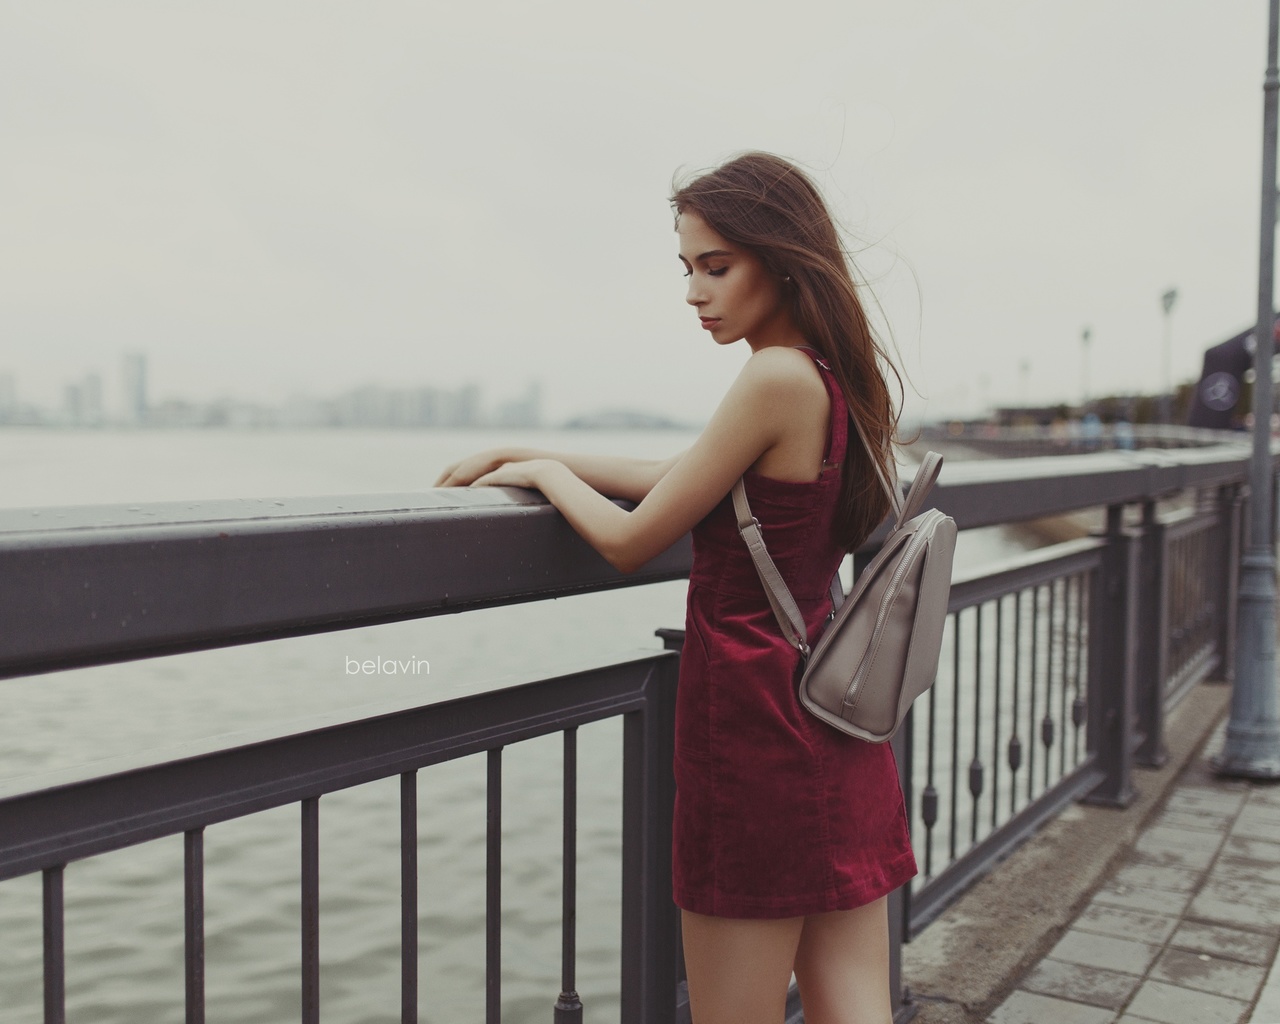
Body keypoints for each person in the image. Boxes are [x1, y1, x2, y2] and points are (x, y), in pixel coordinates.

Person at [435, 151, 916, 1024]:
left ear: (782, 256)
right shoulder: (830, 377)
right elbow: (690, 473)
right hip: (837, 726)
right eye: (688, 268)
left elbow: (628, 538)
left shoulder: (773, 375)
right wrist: (533, 453)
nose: (695, 292)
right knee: (856, 1008)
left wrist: (540, 467)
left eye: (717, 266)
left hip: (756, 738)